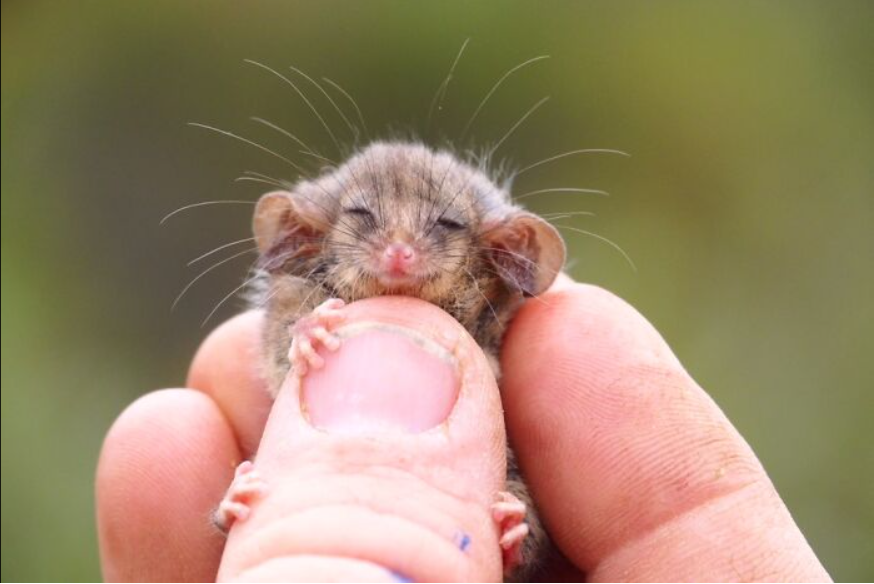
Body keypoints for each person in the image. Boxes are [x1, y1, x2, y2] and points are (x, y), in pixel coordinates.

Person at [96, 277, 831, 582]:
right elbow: (272, 355)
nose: (399, 257)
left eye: (441, 229)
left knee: (514, 503)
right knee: (229, 481)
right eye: (366, 224)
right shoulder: (302, 317)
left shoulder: (505, 350)